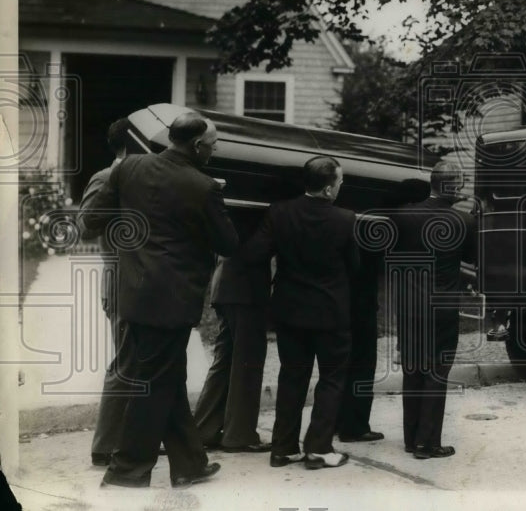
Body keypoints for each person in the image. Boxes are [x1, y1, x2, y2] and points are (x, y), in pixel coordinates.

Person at [82, 113, 239, 489]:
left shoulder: (128, 168)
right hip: (172, 299)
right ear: (198, 146)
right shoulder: (203, 187)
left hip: (133, 293)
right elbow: (229, 244)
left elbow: (91, 221)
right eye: (213, 145)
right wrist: (213, 201)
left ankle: (190, 464)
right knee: (155, 381)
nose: (215, 150)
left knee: (165, 376)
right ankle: (127, 470)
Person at [243, 156, 357, 470]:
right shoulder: (346, 219)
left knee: (292, 376)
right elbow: (356, 268)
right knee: (332, 379)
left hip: (289, 309)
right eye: (340, 181)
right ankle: (318, 447)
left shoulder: (279, 212)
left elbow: (254, 254)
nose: (341, 185)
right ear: (329, 188)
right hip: (331, 311)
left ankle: (283, 448)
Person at [392, 161, 475, 459]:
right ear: (451, 186)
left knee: (413, 371)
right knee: (436, 373)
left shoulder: (403, 215)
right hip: (442, 308)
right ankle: (429, 443)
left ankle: (411, 438)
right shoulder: (463, 221)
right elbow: (473, 257)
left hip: (409, 307)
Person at [191, 209, 272, 452]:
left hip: (227, 286)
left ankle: (204, 430)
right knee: (247, 364)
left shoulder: (234, 204)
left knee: (225, 362)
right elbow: (257, 249)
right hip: (246, 291)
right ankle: (240, 434)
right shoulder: (259, 210)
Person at [79, 118, 133, 467]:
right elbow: (85, 226)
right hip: (122, 281)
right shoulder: (106, 177)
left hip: (143, 282)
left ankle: (131, 441)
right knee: (125, 363)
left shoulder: (140, 177)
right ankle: (105, 448)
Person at [335, 216, 383, 444]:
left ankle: (337, 419)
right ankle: (354, 425)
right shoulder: (372, 227)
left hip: (338, 302)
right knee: (363, 364)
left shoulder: (341, 221)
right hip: (361, 305)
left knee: (340, 364)